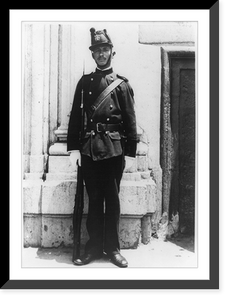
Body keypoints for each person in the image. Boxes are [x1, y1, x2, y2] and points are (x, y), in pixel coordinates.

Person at [67, 28, 137, 268]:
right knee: (94, 200)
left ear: (112, 52)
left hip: (114, 150)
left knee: (113, 200)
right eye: (97, 51)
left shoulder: (121, 85)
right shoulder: (85, 82)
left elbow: (130, 119)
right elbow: (76, 118)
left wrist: (131, 151)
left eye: (105, 49)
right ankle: (93, 247)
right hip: (89, 150)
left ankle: (113, 249)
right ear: (93, 54)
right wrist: (74, 149)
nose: (101, 54)